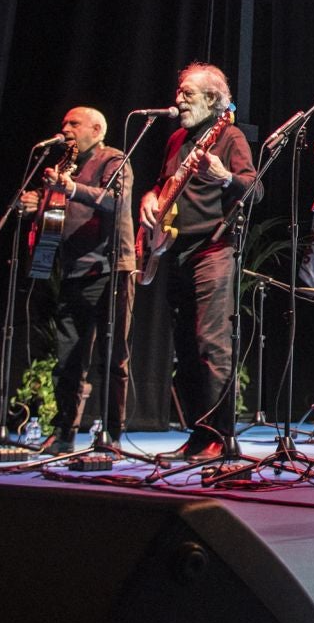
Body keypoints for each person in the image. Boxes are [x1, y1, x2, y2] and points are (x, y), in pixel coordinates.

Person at [139, 63, 256, 464]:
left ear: (212, 99)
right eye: (180, 92)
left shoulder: (230, 136)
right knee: (185, 349)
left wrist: (225, 177)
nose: (179, 99)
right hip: (175, 251)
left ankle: (219, 437)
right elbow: (160, 184)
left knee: (212, 346)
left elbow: (255, 188)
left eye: (188, 94)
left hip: (213, 250)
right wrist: (148, 199)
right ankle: (197, 433)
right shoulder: (176, 139)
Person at [17, 106, 135, 454]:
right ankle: (64, 432)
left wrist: (72, 188)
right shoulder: (63, 166)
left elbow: (115, 200)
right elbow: (55, 215)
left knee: (112, 356)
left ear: (97, 129)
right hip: (72, 270)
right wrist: (35, 204)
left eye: (73, 123)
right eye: (64, 121)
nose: (65, 128)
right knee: (69, 357)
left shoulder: (115, 160)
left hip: (111, 268)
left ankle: (112, 434)